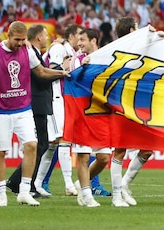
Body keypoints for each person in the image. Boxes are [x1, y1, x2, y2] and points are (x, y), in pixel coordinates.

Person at [0, 21, 69, 207]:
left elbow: (42, 72)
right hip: (0, 110)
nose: (20, 43)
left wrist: (62, 73)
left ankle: (25, 191)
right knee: (0, 153)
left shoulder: (27, 52)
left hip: (23, 109)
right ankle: (1, 195)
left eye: (22, 39)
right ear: (8, 35)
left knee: (32, 145)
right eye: (17, 39)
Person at [109, 17, 156, 207]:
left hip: (140, 106)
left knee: (147, 149)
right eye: (137, 28)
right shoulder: (115, 51)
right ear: (131, 31)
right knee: (120, 150)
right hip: (122, 105)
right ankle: (116, 196)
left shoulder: (140, 49)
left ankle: (125, 185)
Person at [5, 24, 55, 198]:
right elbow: (39, 77)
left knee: (41, 144)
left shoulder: (32, 52)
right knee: (39, 144)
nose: (47, 38)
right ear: (39, 37)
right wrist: (61, 72)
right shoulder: (30, 52)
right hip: (36, 103)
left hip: (38, 103)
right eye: (46, 35)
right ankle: (24, 183)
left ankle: (19, 181)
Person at [34, 24, 82, 197]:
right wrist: (64, 68)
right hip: (54, 98)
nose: (81, 39)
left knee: (52, 144)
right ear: (70, 37)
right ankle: (69, 184)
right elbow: (51, 70)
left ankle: (37, 183)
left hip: (60, 99)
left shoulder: (69, 51)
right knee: (63, 139)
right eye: (79, 36)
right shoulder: (59, 49)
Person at [70, 28, 110, 207]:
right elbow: (72, 80)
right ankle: (87, 196)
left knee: (103, 158)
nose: (79, 44)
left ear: (93, 40)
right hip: (81, 113)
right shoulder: (77, 60)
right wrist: (82, 68)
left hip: (100, 114)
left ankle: (80, 184)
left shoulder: (105, 58)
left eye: (82, 40)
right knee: (83, 156)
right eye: (78, 40)